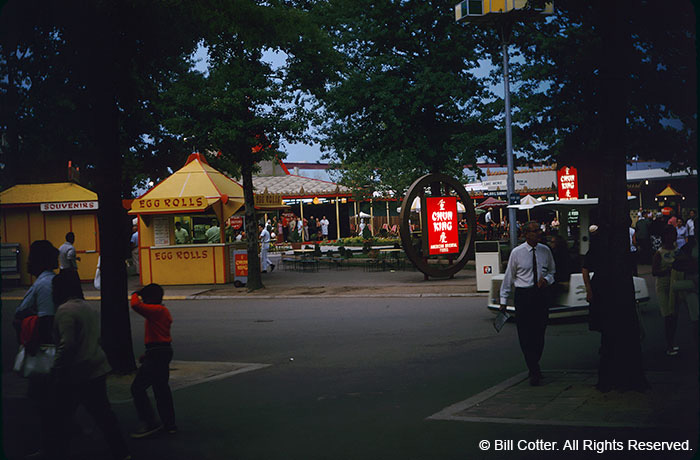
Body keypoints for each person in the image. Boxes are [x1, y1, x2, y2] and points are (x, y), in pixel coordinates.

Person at [48, 270, 131, 460]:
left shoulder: (64, 311)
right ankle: (121, 451)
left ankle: (57, 450)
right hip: (97, 367)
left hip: (76, 372)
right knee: (103, 414)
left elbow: (66, 345)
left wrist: (56, 367)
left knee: (60, 414)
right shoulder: (87, 307)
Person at [14, 241, 59, 458]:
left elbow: (46, 320)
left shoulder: (44, 285)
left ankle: (49, 447)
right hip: (41, 350)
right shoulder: (44, 282)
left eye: (31, 258)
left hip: (41, 354)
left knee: (43, 403)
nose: (27, 262)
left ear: (39, 261)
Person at [500, 222, 556, 386]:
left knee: (539, 333)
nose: (539, 233)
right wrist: (503, 300)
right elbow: (509, 277)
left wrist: (547, 279)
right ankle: (533, 369)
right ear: (526, 234)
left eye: (540, 230)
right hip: (523, 295)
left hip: (540, 295)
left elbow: (553, 271)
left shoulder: (545, 251)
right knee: (525, 334)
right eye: (535, 231)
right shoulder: (517, 253)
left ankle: (534, 362)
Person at [130, 283, 177, 438]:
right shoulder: (162, 311)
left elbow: (135, 305)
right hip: (160, 351)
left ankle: (149, 421)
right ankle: (169, 423)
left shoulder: (156, 311)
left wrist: (136, 294)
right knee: (161, 388)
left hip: (156, 353)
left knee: (138, 387)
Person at [652, 225, 680, 356]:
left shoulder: (677, 250)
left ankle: (672, 342)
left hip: (675, 286)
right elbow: (654, 271)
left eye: (672, 235)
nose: (671, 238)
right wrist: (667, 271)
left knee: (674, 315)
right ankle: (669, 345)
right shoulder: (659, 253)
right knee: (668, 316)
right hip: (663, 286)